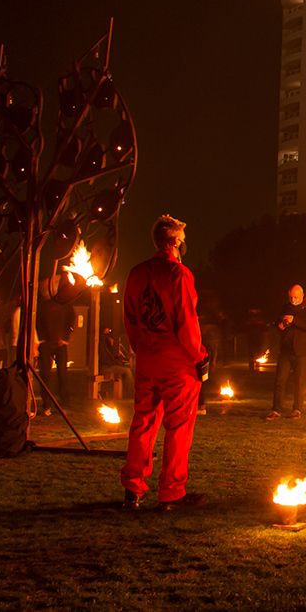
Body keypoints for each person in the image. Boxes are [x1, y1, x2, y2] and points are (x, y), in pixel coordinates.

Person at [120, 215, 207, 511]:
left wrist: (141, 349)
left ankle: (133, 488)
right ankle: (171, 492)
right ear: (174, 242)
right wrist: (198, 356)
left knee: (143, 423)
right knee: (178, 426)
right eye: (182, 240)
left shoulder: (136, 273)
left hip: (146, 358)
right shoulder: (178, 273)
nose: (183, 245)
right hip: (176, 361)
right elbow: (186, 320)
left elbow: (130, 318)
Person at [267, 285, 306, 421]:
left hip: (301, 352)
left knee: (299, 382)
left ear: (301, 296)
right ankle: (276, 410)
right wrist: (280, 325)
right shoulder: (285, 308)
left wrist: (294, 321)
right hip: (286, 351)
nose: (293, 299)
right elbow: (277, 324)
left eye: (295, 297)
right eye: (291, 297)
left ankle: (297, 409)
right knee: (279, 381)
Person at [35, 300, 75, 415]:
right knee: (45, 375)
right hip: (46, 343)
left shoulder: (65, 303)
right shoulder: (43, 304)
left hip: (60, 343)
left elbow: (71, 319)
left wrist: (64, 337)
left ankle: (65, 404)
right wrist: (41, 338)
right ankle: (46, 405)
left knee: (62, 374)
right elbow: (37, 320)